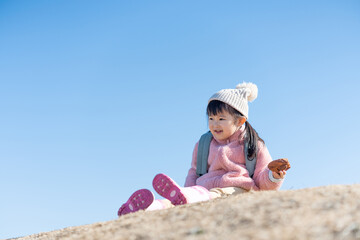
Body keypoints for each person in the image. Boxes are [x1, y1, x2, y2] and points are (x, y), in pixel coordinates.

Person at [117, 82, 288, 216]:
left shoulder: (253, 145)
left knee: (223, 192)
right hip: (202, 189)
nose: (214, 124)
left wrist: (273, 175)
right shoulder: (204, 143)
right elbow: (194, 172)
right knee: (183, 198)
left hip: (238, 188)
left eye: (221, 118)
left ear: (240, 121)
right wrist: (184, 192)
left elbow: (261, 178)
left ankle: (190, 198)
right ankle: (149, 208)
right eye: (211, 118)